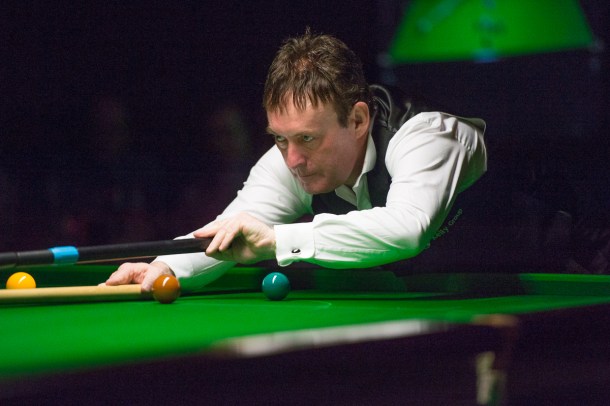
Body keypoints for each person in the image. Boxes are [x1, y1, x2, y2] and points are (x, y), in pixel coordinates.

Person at [104, 30, 487, 292]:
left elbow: (407, 229)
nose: (292, 159)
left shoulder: (428, 136)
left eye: (307, 138)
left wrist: (277, 241)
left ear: (357, 120)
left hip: (504, 301)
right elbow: (229, 230)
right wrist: (164, 267)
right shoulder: (290, 157)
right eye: (279, 138)